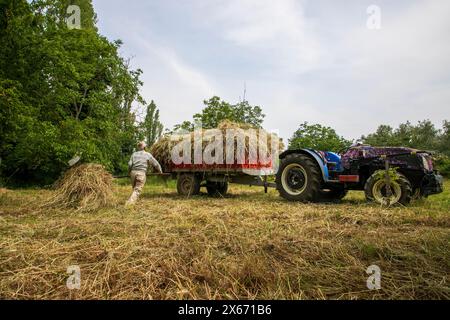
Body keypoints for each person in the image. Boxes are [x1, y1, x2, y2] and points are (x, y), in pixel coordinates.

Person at [126, 141, 163, 205]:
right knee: (137, 190)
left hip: (133, 173)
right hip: (141, 173)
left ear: (138, 147)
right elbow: (156, 164)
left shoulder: (134, 154)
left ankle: (134, 201)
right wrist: (160, 171)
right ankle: (129, 204)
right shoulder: (147, 154)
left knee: (135, 189)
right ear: (145, 147)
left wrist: (129, 172)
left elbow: (129, 164)